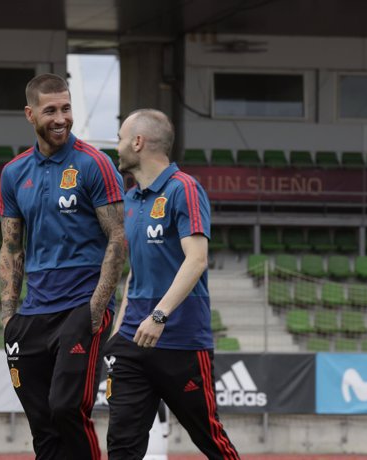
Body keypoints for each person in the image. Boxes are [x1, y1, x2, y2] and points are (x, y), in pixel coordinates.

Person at [0, 73, 126, 460]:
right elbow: (11, 246)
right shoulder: (13, 173)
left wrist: (96, 308)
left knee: (67, 408)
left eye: (66, 108)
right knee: (42, 421)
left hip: (80, 306)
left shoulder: (94, 164)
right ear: (30, 113)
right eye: (50, 110)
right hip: (33, 313)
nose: (60, 118)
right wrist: (9, 317)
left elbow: (118, 238)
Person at [104, 109, 240, 460]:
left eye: (120, 139)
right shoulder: (131, 200)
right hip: (132, 343)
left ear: (138, 142)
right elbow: (136, 272)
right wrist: (119, 331)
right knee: (121, 444)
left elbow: (196, 259)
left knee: (210, 438)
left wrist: (159, 316)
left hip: (180, 341)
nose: (116, 147)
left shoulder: (185, 189)